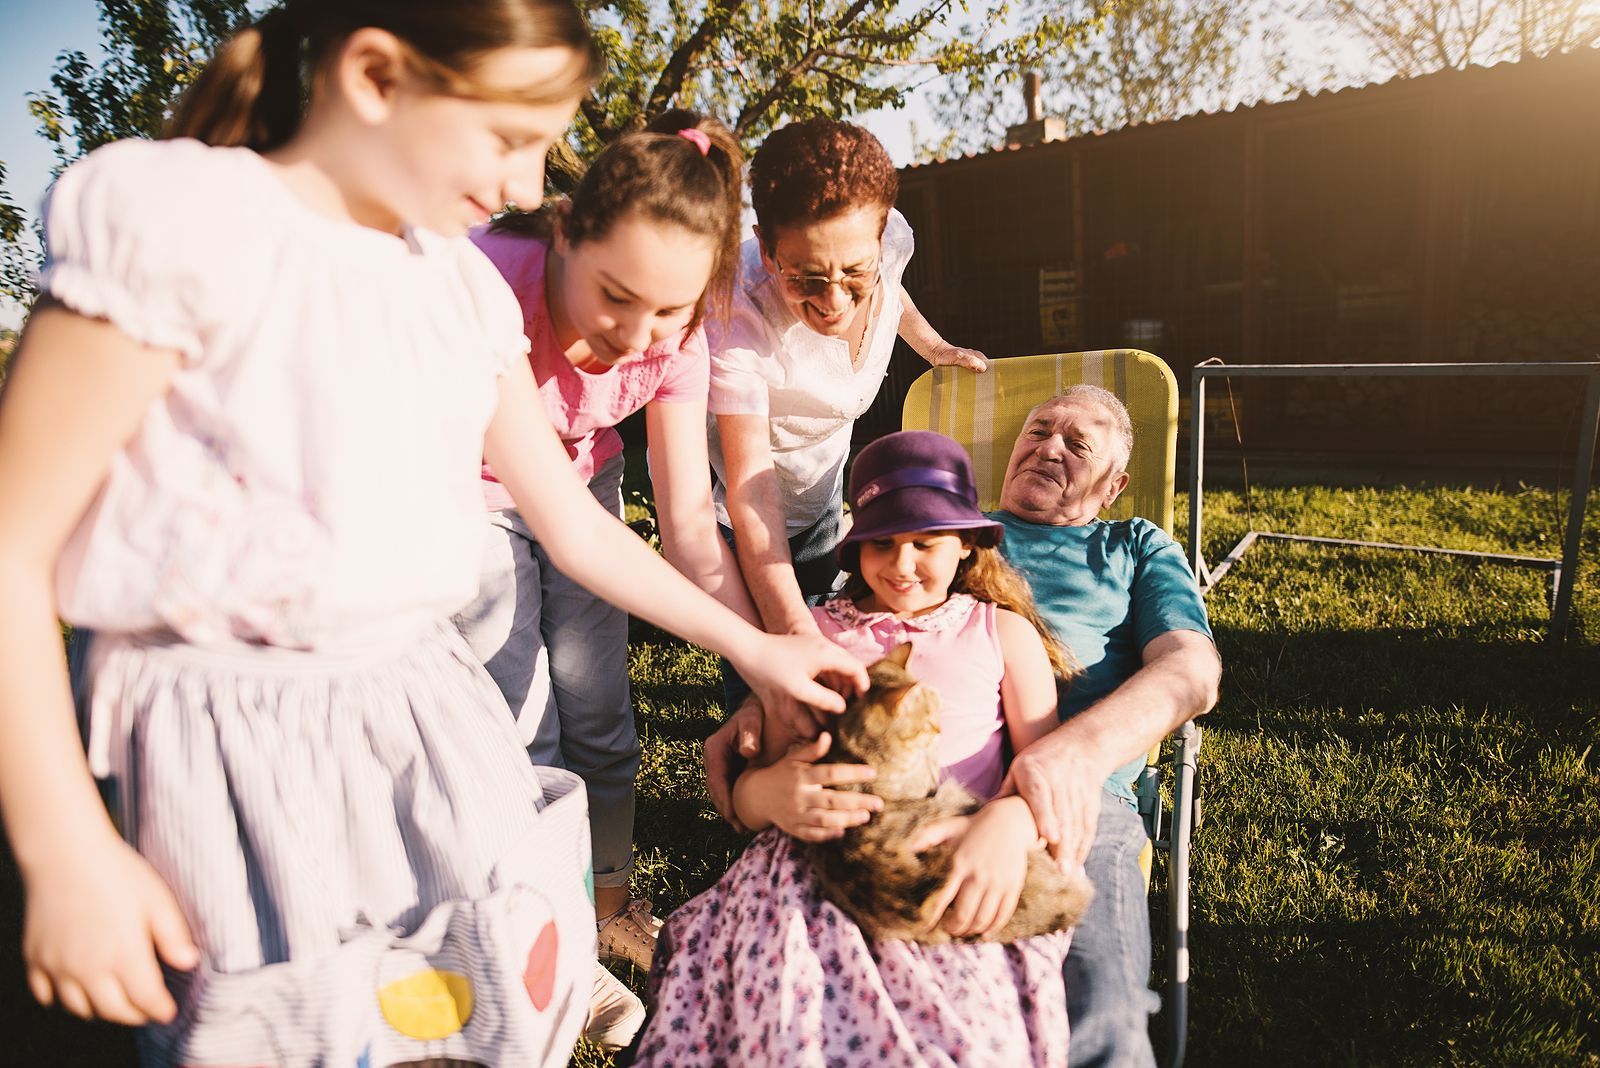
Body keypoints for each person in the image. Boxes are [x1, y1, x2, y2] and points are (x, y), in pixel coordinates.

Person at [0, 5, 869, 1065]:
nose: (523, 184)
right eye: (511, 137)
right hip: (241, 751)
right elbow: (11, 545)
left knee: (466, 1014)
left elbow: (573, 527)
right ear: (375, 77)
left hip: (420, 718)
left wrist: (759, 646)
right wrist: (60, 848)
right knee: (293, 1029)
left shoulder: (453, 286)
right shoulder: (185, 223)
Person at [707, 386, 1220, 1067]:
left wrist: (1070, 759)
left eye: (1078, 444)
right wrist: (765, 703)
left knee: (1097, 1003)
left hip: (1076, 787)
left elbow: (1193, 669)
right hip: (896, 784)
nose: (1048, 448)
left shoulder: (1132, 545)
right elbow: (845, 636)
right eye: (1038, 430)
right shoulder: (935, 530)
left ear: (1114, 486)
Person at [451, 109, 757, 1036]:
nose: (638, 333)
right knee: (524, 721)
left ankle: (604, 903)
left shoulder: (679, 337)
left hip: (585, 483)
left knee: (601, 710)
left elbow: (690, 528)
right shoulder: (489, 277)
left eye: (669, 310)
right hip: (470, 491)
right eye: (616, 296)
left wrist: (761, 660)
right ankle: (547, 952)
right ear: (564, 233)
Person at [635, 430, 1078, 1067]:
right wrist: (766, 793)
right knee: (790, 997)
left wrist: (1012, 821)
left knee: (959, 1022)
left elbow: (1044, 768)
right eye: (881, 544)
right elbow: (748, 796)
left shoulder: (999, 630)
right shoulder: (814, 634)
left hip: (952, 849)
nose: (901, 565)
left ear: (967, 546)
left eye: (924, 544)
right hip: (813, 857)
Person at [707, 118, 989, 722]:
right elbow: (752, 484)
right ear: (767, 242)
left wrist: (935, 348)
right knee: (762, 668)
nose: (834, 301)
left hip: (824, 485)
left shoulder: (886, 244)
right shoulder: (737, 316)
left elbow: (894, 292)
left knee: (826, 603)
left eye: (853, 273)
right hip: (747, 511)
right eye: (805, 277)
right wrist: (793, 637)